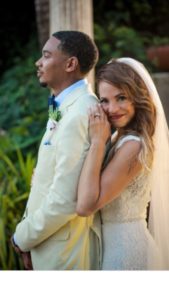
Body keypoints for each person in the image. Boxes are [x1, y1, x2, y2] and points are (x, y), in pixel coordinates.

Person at [11, 30, 102, 270]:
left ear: (70, 64)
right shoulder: (68, 107)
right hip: (47, 245)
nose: (38, 63)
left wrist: (22, 237)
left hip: (63, 255)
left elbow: (65, 199)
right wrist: (30, 240)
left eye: (46, 56)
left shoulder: (83, 112)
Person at [76, 57, 169, 270]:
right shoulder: (119, 138)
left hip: (127, 252)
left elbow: (85, 206)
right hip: (112, 247)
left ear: (137, 97)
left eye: (121, 97)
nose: (112, 108)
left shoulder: (133, 146)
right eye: (104, 101)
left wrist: (98, 141)